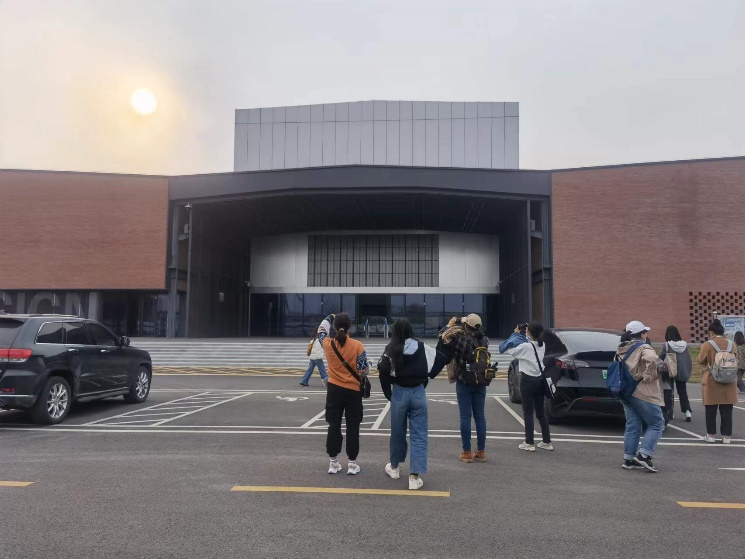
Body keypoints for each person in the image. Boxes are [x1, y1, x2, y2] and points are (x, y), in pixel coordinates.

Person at [378, 318, 440, 490]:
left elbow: (382, 372)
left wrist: (389, 395)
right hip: (418, 392)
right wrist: (423, 381)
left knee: (397, 431)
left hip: (399, 392)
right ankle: (414, 476)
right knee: (419, 434)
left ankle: (394, 467)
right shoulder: (421, 347)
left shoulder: (391, 348)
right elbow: (438, 361)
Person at [317, 312, 370, 474]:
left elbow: (320, 331)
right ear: (349, 327)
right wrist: (369, 365)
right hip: (353, 391)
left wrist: (329, 317)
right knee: (353, 427)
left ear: (335, 327)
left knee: (333, 425)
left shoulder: (328, 343)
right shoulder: (357, 345)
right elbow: (362, 371)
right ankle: (352, 464)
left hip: (334, 390)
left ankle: (333, 462)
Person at [436, 313, 490, 463]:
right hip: (480, 380)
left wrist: (450, 325)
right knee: (480, 416)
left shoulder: (461, 339)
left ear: (466, 325)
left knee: (465, 417)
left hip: (464, 381)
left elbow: (442, 337)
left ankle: (467, 452)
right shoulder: (484, 339)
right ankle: (481, 451)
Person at [617, 320, 665, 473]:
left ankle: (628, 458)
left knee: (633, 424)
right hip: (642, 391)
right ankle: (644, 455)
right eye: (646, 332)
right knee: (657, 423)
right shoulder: (644, 347)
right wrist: (648, 376)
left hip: (625, 391)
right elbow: (652, 359)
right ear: (642, 334)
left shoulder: (622, 348)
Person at [501, 322, 552, 452]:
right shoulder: (542, 345)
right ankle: (546, 441)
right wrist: (529, 331)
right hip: (540, 380)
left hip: (528, 381)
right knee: (540, 412)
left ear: (529, 332)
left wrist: (515, 334)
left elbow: (510, 351)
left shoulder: (526, 346)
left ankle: (529, 443)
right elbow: (532, 341)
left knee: (528, 412)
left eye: (527, 330)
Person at [697, 319, 737, 444]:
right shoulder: (731, 344)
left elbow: (700, 360)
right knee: (727, 410)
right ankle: (726, 436)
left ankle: (711, 435)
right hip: (729, 380)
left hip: (712, 380)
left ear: (711, 332)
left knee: (711, 409)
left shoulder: (707, 345)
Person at [658, 326, 693, 422]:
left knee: (669, 392)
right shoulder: (685, 345)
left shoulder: (666, 345)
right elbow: (688, 359)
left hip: (669, 371)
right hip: (682, 371)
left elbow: (660, 358)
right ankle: (687, 412)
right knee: (682, 392)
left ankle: (670, 412)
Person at [735, 331, 745, 398]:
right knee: (738, 378)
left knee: (737, 378)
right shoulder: (743, 345)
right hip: (741, 365)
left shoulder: (736, 346)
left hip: (738, 365)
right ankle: (743, 389)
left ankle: (743, 389)